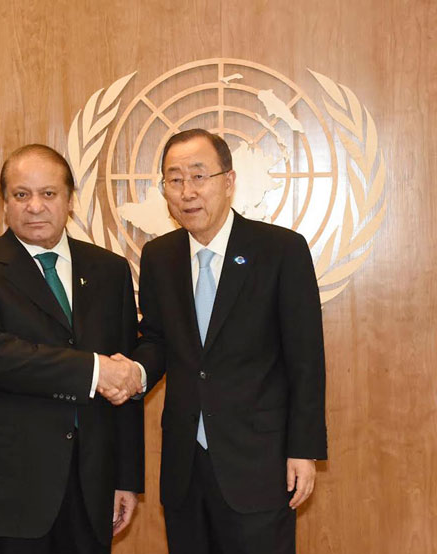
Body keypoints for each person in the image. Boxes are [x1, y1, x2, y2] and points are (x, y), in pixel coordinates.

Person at [0, 144, 145, 554]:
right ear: (4, 203)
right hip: (6, 488)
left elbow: (123, 377)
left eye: (48, 194)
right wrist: (93, 371)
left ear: (69, 200)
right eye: (21, 194)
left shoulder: (109, 270)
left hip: (90, 486)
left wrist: (126, 478)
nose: (35, 206)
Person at [129, 129, 327, 554]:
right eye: (175, 179)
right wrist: (134, 371)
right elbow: (158, 340)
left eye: (199, 176)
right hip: (185, 464)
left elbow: (305, 358)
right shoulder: (159, 257)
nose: (187, 192)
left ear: (229, 181)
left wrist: (303, 450)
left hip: (259, 461)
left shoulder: (280, 250)